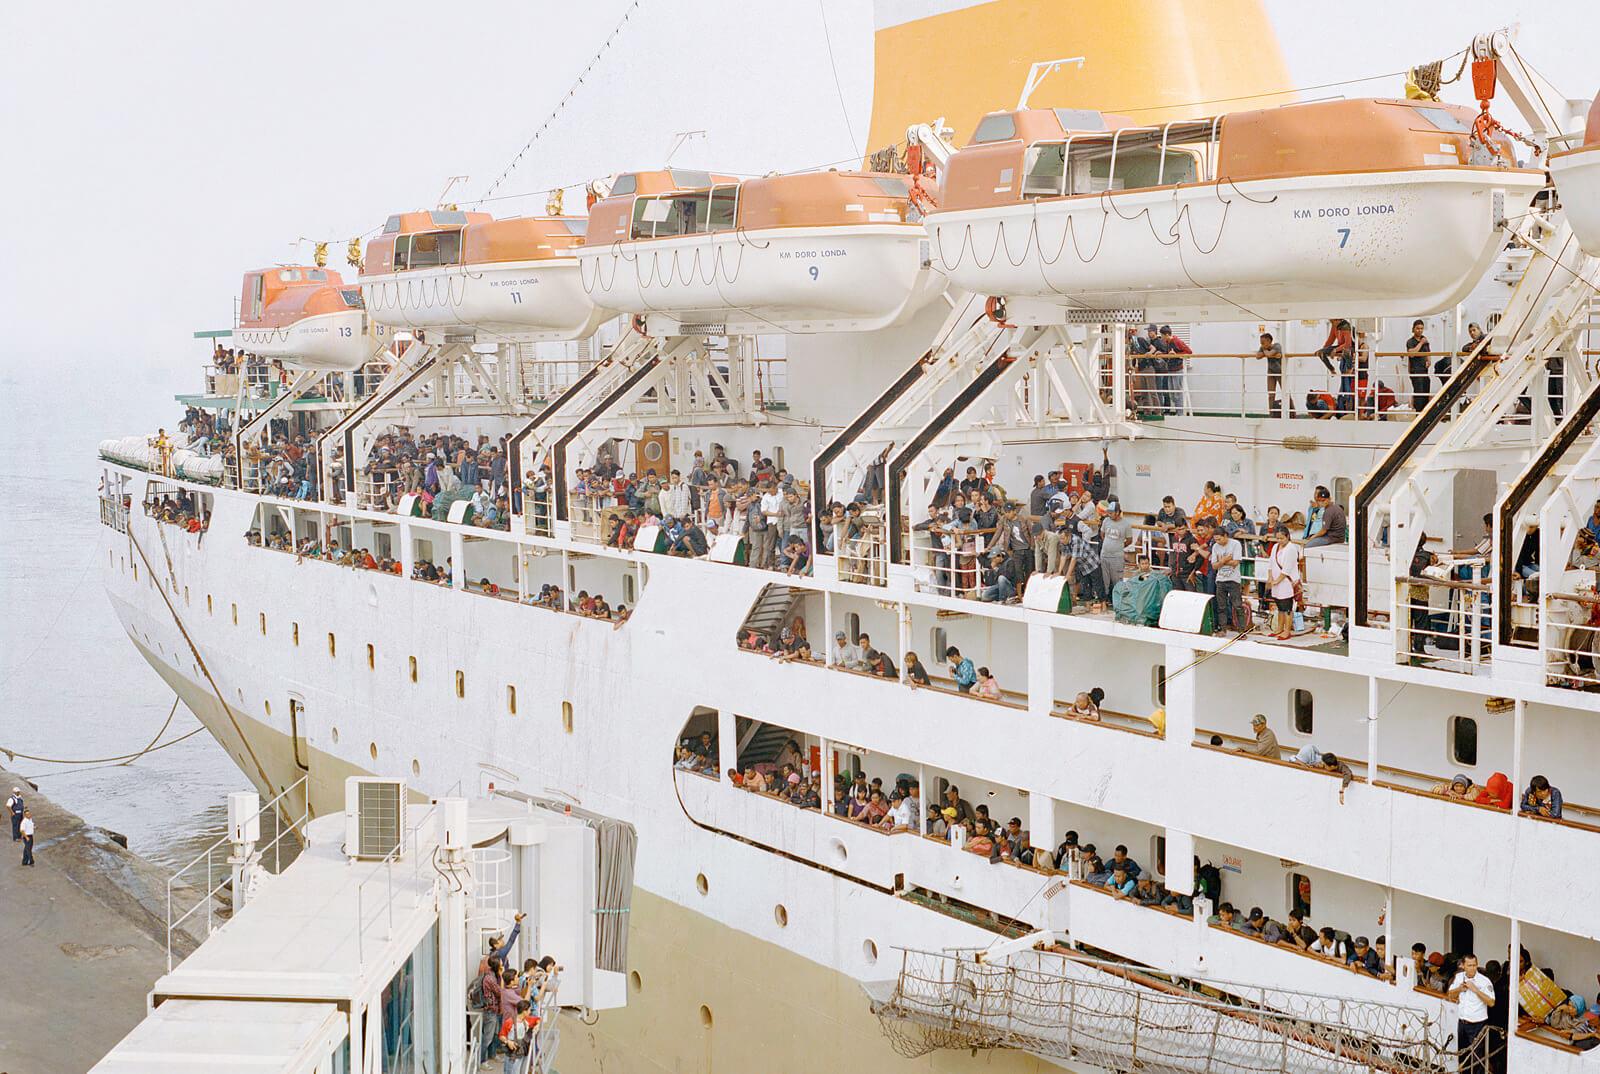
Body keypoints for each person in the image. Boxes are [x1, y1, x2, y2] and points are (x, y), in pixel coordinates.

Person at [1448, 954, 1495, 1074]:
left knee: (1477, 1059)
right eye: (1469, 965)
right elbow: (1450, 995)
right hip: (1463, 1022)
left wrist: (1475, 990)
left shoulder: (1484, 981)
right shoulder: (1459, 977)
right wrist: (1459, 989)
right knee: (1463, 1056)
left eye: (1474, 965)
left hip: (1478, 1024)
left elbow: (1491, 1002)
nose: (1472, 968)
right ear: (1463, 966)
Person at [1266, 525, 1300, 640]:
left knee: (1287, 607)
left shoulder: (1291, 548)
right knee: (1279, 606)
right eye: (1278, 538)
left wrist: (1277, 580)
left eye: (1282, 538)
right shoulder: (1275, 547)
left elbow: (1287, 568)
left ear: (1287, 537)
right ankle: (1279, 629)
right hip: (1276, 581)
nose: (1280, 541)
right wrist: (1270, 577)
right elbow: (1271, 563)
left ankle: (1287, 630)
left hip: (1286, 582)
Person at [1210, 527, 1244, 632]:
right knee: (1221, 606)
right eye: (1216, 540)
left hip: (1234, 579)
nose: (1217, 542)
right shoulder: (1215, 546)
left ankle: (1242, 630)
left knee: (1237, 605)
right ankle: (1223, 629)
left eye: (1219, 539)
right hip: (1220, 579)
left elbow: (1235, 562)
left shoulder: (1235, 544)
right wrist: (1225, 560)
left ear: (1225, 536)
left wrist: (1221, 561)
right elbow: (1214, 566)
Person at [1255, 332, 1290, 417]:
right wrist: (1265, 352)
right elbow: (1257, 356)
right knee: (1271, 394)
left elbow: (1269, 354)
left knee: (1286, 392)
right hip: (1271, 372)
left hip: (1280, 372)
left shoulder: (1277, 346)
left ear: (1269, 341)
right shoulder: (1264, 348)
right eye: (1261, 343)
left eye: (1263, 343)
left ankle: (1291, 412)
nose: (1262, 345)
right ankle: (1271, 414)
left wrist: (1266, 353)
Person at [1405, 319, 1432, 410]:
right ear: (1413, 329)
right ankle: (1418, 412)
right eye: (1417, 328)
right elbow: (1412, 354)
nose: (1420, 330)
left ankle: (1424, 411)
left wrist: (1429, 360)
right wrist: (1421, 343)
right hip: (1415, 371)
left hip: (1424, 370)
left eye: (1421, 329)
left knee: (1426, 390)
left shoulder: (1425, 340)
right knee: (1419, 392)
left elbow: (1428, 352)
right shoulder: (1410, 341)